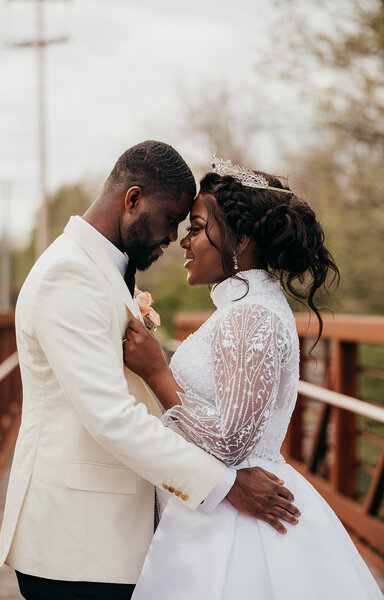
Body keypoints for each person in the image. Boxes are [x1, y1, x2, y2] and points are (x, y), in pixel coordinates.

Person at [0, 143, 300, 600]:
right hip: (76, 544)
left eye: (189, 225)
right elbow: (111, 416)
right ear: (132, 199)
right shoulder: (70, 275)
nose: (174, 237)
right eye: (172, 220)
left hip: (114, 538)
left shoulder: (108, 271)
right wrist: (224, 485)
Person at [123, 157, 383, 599]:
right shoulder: (245, 309)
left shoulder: (252, 317)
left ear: (240, 239)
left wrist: (157, 370)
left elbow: (229, 440)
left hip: (235, 523)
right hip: (218, 506)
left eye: (198, 227)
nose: (184, 241)